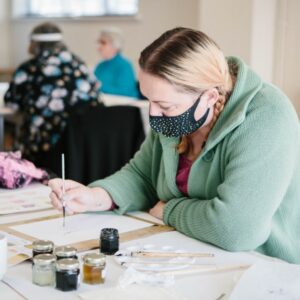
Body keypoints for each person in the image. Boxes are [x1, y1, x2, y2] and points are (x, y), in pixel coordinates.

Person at [49, 27, 300, 264]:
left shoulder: (267, 116)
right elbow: (142, 176)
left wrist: (170, 210)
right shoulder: (178, 120)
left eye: (166, 106)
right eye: (148, 100)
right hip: (190, 250)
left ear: (210, 97)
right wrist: (95, 197)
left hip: (264, 265)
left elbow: (236, 229)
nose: (154, 115)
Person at [4, 22, 100, 167]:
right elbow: (96, 92)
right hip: (80, 141)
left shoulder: (30, 68)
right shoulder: (80, 64)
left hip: (43, 144)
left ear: (34, 44)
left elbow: (12, 101)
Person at [94, 28, 140, 98]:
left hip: (123, 105)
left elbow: (125, 92)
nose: (99, 46)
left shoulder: (125, 65)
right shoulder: (100, 66)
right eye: (98, 42)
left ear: (115, 45)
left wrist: (100, 86)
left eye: (103, 43)